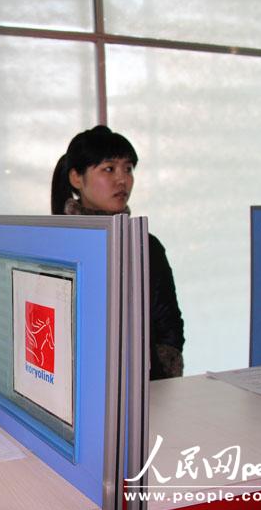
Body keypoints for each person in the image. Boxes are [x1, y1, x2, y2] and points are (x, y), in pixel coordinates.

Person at [51, 125, 185, 379]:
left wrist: (156, 379)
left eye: (128, 169)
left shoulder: (145, 245)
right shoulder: (57, 244)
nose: (122, 179)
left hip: (140, 388)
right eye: (109, 169)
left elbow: (170, 328)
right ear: (76, 178)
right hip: (70, 386)